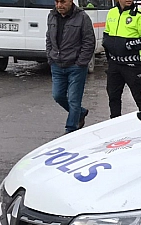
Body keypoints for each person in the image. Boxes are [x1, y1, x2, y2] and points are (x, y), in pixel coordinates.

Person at [46, 0, 94, 133]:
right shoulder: (52, 16)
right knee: (58, 95)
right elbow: (49, 38)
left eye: (63, 1)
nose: (59, 5)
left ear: (71, 1)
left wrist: (81, 63)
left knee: (74, 99)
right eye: (57, 2)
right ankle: (80, 112)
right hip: (57, 64)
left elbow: (89, 42)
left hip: (75, 67)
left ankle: (70, 129)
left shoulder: (82, 17)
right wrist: (50, 57)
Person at [102, 0, 141, 118]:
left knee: (140, 99)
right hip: (114, 64)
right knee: (113, 97)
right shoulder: (111, 13)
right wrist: (108, 49)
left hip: (132, 65)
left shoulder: (140, 15)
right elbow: (106, 35)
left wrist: (127, 45)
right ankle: (115, 124)